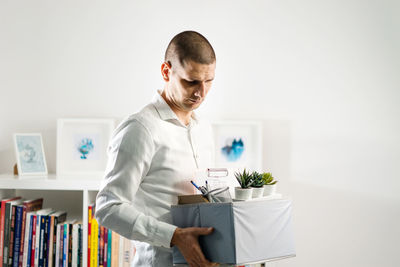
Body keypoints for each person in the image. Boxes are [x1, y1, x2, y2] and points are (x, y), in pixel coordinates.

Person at [95, 31, 219, 267]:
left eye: (209, 81)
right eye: (191, 81)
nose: (201, 92)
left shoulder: (204, 129)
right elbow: (107, 208)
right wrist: (174, 236)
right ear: (166, 71)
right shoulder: (140, 128)